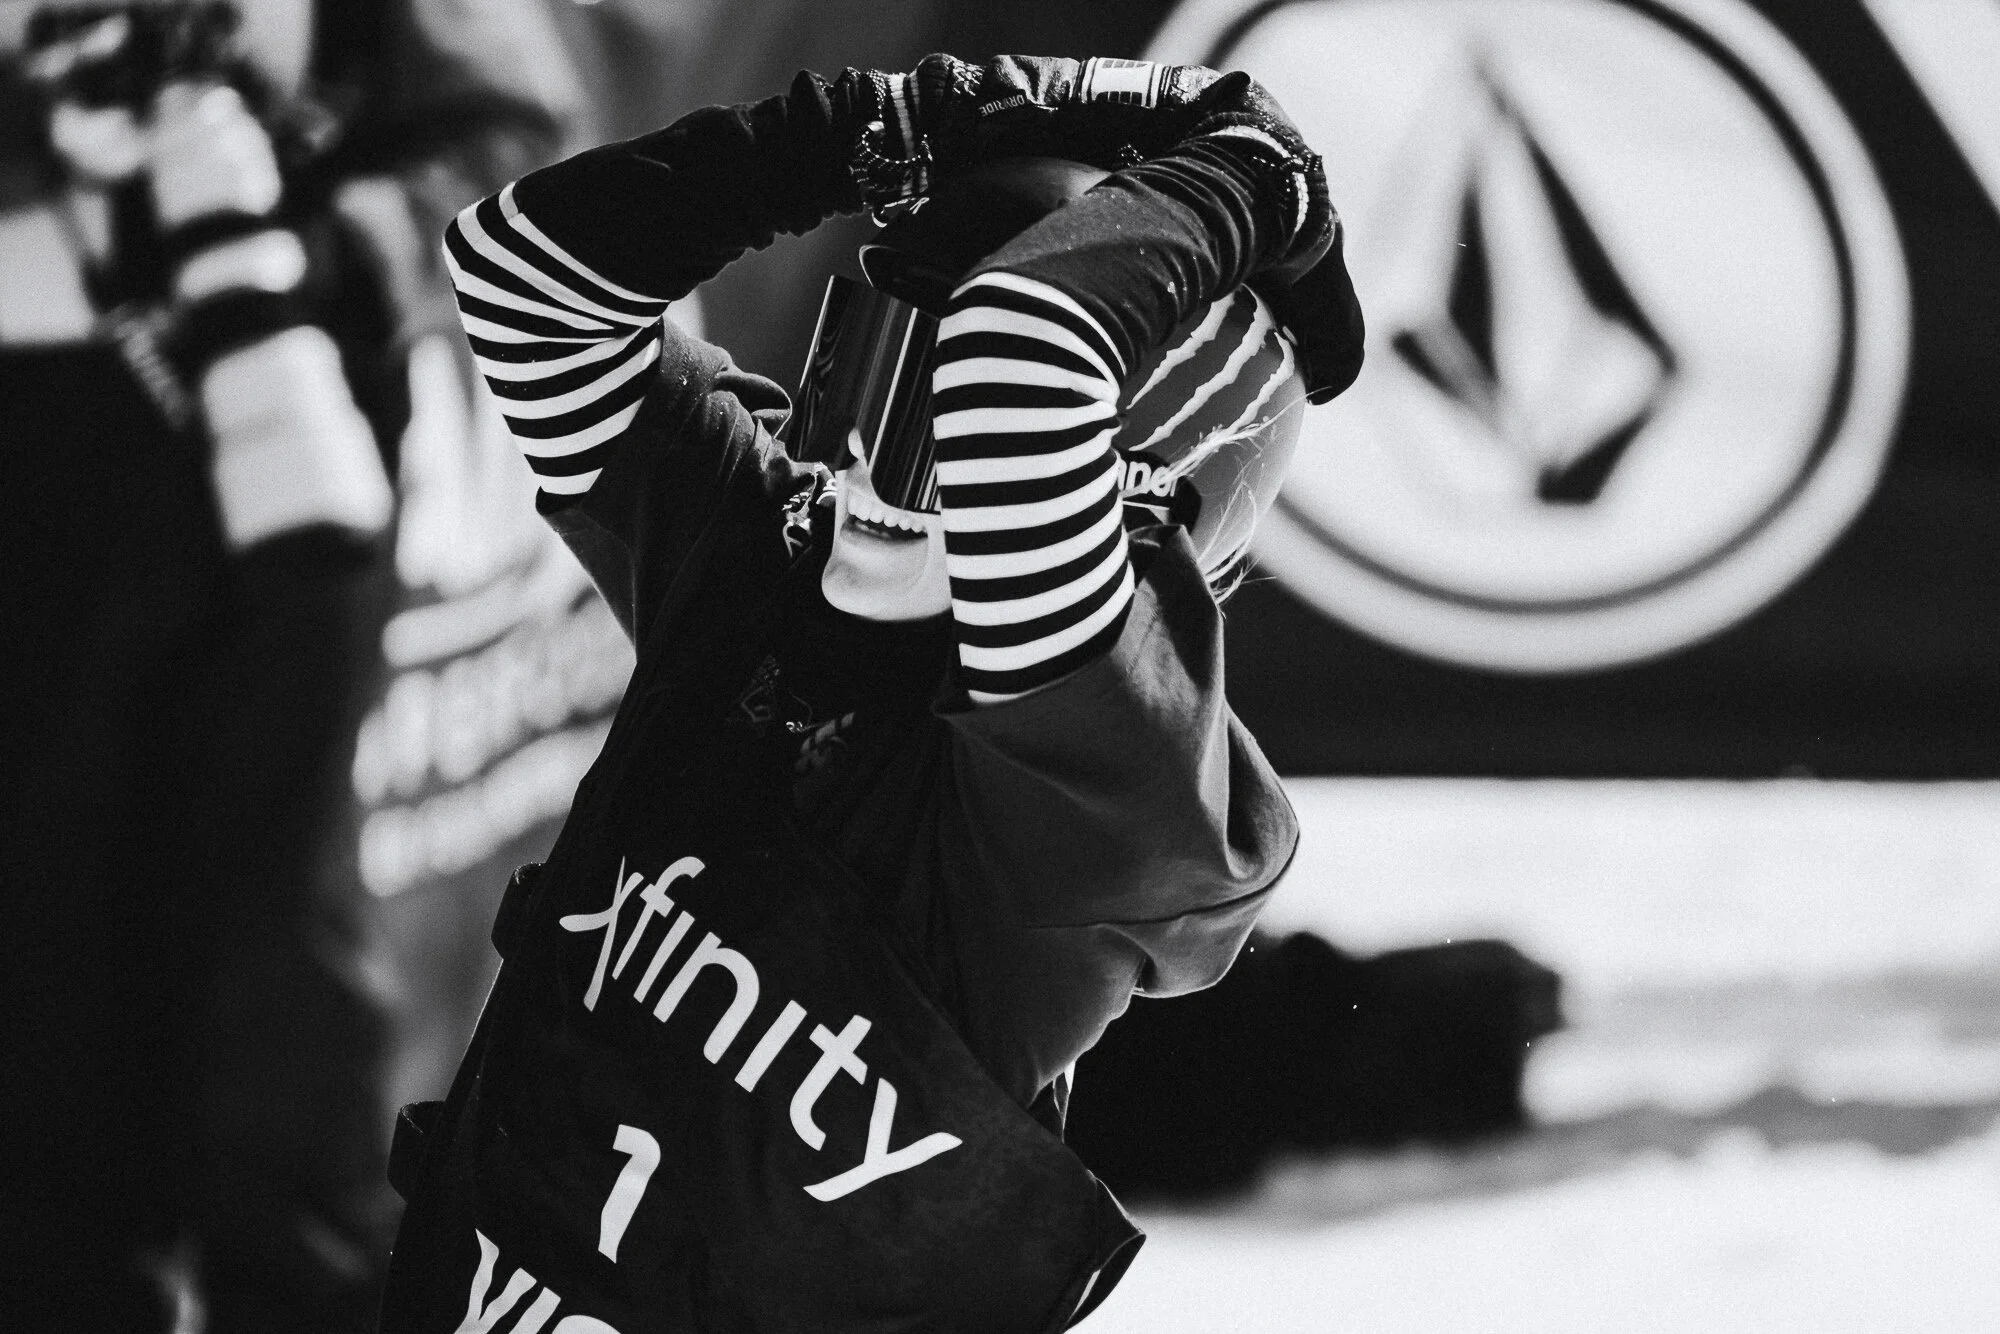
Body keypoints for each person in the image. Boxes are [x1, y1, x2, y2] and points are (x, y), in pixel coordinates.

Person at [379, 53, 1363, 1332]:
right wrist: (895, 125)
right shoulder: (763, 574)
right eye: (876, 372)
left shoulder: (1118, 790)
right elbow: (525, 272)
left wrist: (1250, 179)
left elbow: (1019, 358)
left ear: (1125, 520)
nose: (858, 465)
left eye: (940, 438)